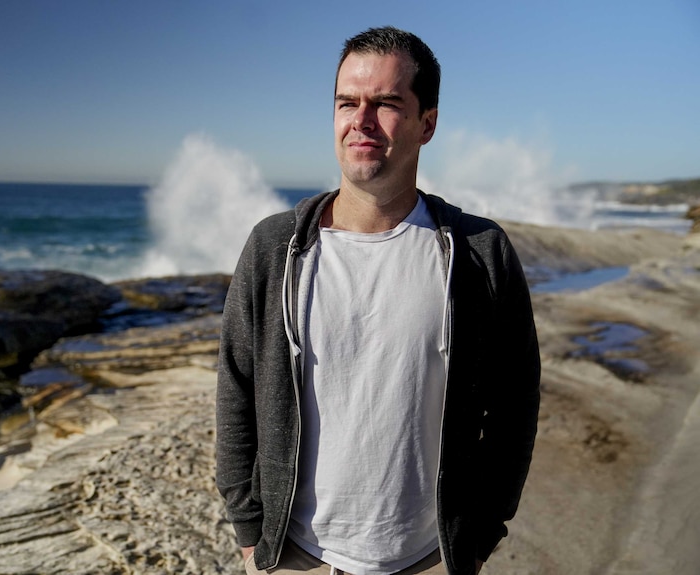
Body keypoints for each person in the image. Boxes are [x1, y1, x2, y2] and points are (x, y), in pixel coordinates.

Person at [216, 26, 540, 575]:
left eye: (386, 103)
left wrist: (480, 535)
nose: (360, 121)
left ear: (427, 123)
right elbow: (236, 387)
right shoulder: (276, 248)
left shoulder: (478, 252)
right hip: (295, 558)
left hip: (428, 558)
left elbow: (514, 406)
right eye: (347, 102)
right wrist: (251, 533)